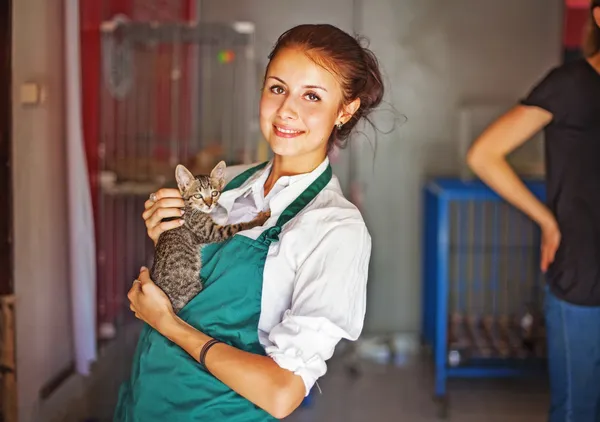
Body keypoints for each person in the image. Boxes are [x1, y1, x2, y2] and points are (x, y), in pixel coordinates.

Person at [114, 23, 384, 421]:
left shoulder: (335, 228)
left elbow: (281, 394)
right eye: (278, 88)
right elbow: (195, 282)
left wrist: (167, 324)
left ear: (346, 109)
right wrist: (168, 234)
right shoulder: (227, 185)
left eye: (312, 96)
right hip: (146, 399)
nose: (287, 110)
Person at [466, 2, 600, 421]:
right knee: (578, 410)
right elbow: (484, 154)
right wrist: (546, 220)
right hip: (583, 277)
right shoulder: (572, 84)